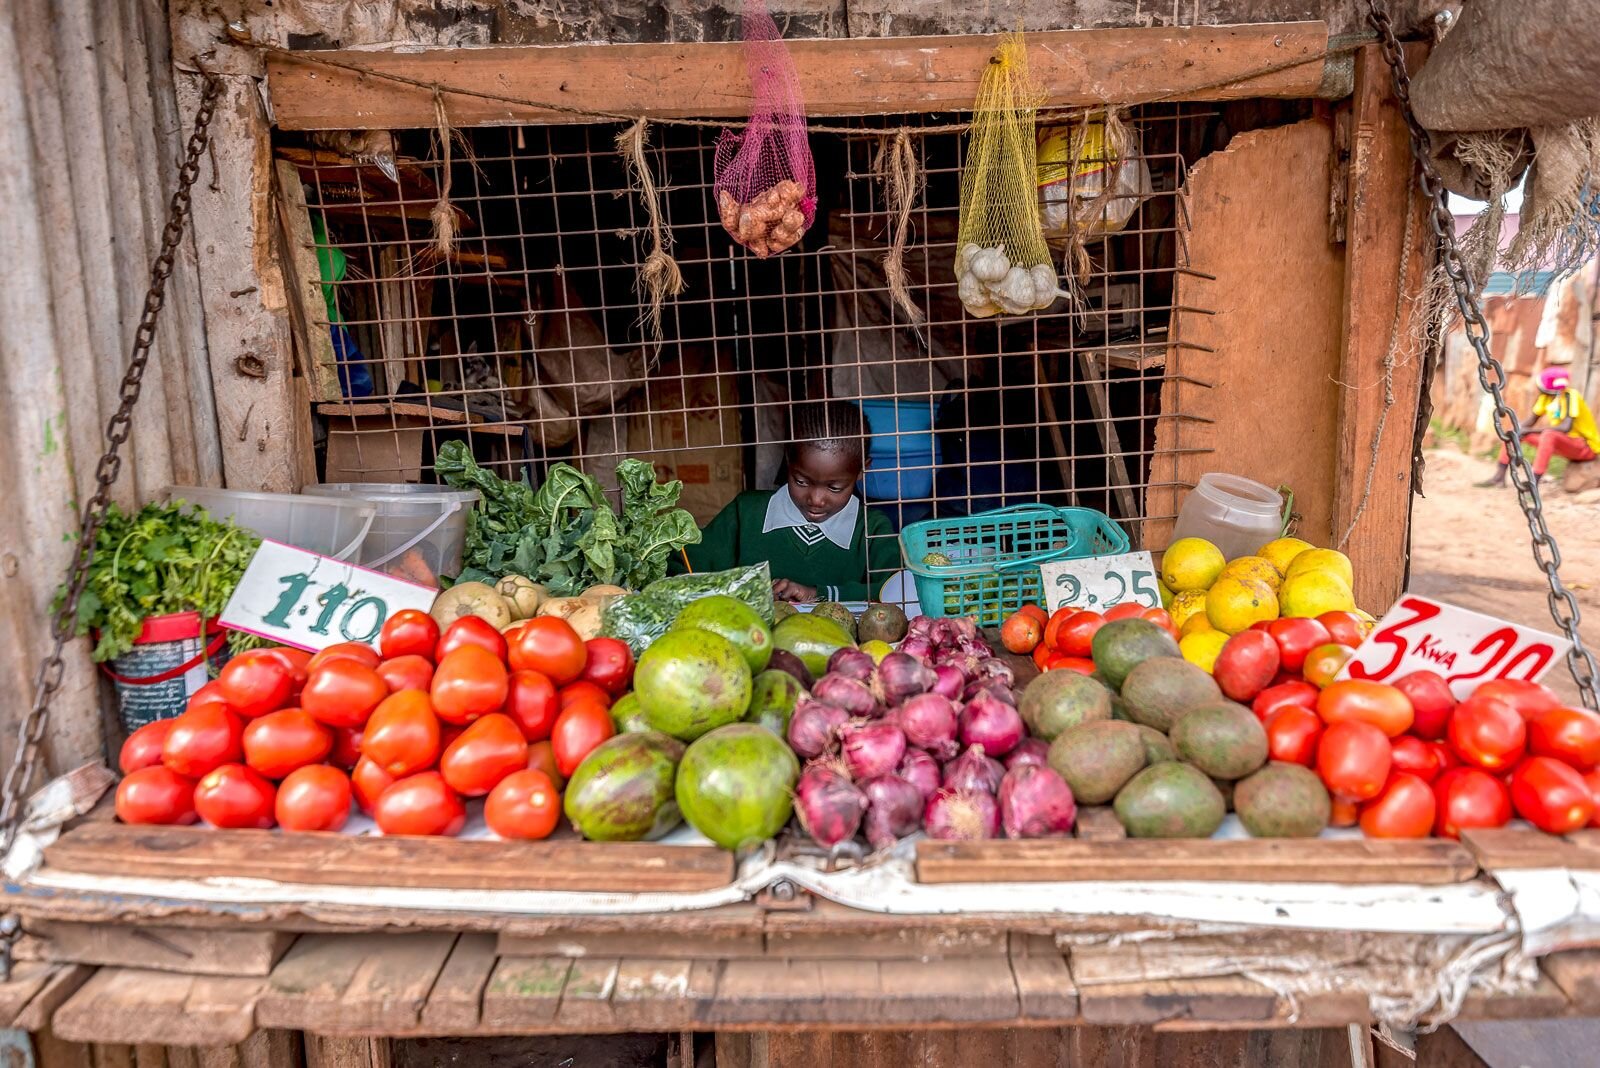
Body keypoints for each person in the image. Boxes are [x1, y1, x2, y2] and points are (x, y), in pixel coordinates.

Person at [681, 400, 902, 602]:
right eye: (801, 481)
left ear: (863, 469)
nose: (815, 500)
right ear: (788, 459)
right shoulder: (746, 513)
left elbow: (897, 590)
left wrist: (818, 593)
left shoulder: (872, 528)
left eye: (834, 488)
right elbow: (684, 567)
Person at [1480, 367, 1599, 487]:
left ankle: (1533, 484)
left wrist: (1529, 430)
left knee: (1549, 434)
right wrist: (1518, 429)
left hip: (1584, 447)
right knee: (1514, 431)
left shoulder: (1571, 396)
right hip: (1562, 444)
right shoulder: (1546, 398)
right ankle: (1499, 477)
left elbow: (1565, 427)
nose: (1539, 390)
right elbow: (1532, 420)